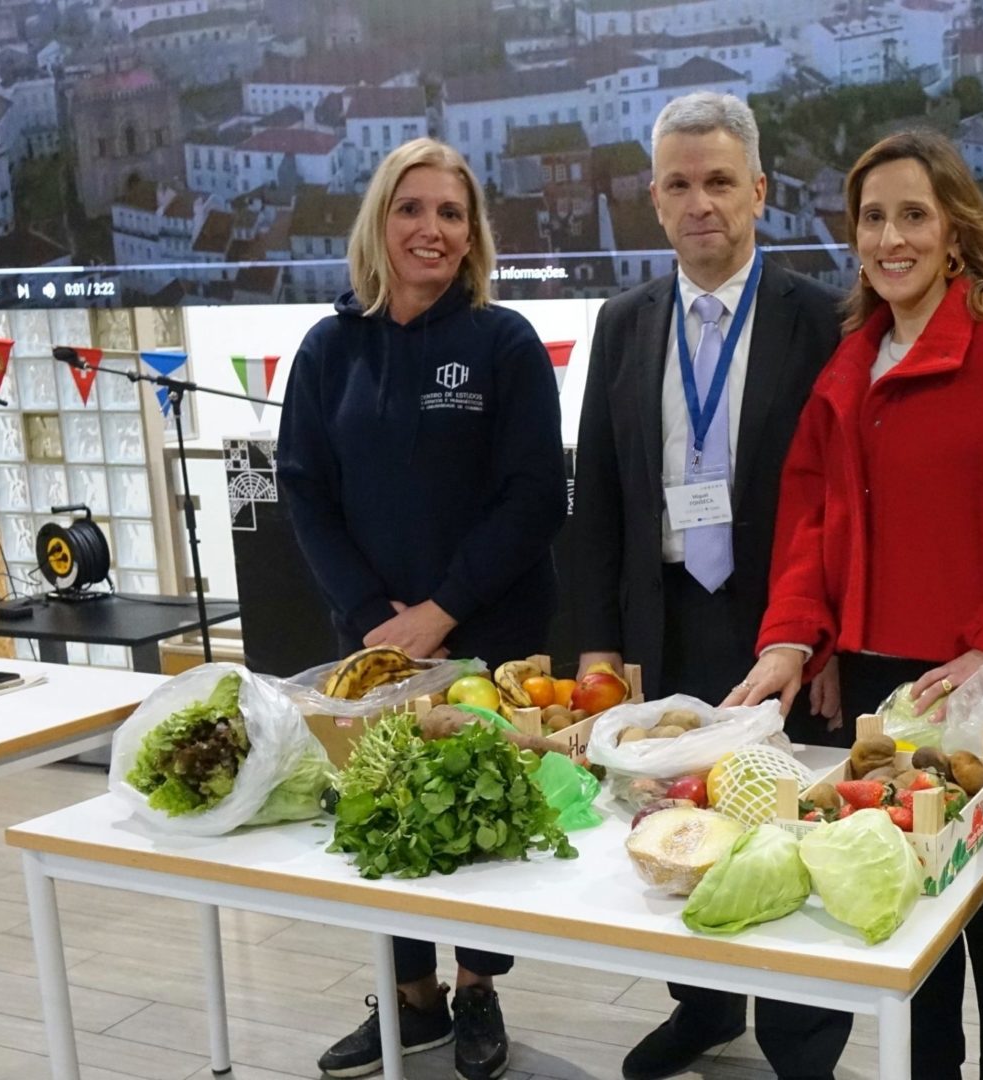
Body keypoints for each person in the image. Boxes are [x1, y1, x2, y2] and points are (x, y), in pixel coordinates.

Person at [726, 130, 983, 1079]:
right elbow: (812, 522)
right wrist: (792, 642)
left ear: (954, 228)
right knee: (914, 925)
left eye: (912, 214)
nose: (890, 237)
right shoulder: (853, 363)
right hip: (886, 690)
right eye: (871, 217)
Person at [569, 92, 851, 1080]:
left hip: (783, 624)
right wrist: (597, 642)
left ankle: (801, 1040)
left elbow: (850, 497)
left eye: (721, 182)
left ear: (760, 193)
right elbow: (598, 491)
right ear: (654, 200)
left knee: (784, 826)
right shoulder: (623, 322)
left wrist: (828, 640)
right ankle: (703, 1006)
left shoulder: (821, 316)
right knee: (676, 811)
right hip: (668, 618)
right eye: (680, 184)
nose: (702, 204)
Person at [278, 137, 566, 1080]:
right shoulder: (330, 349)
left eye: (451, 213)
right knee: (383, 817)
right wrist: (373, 616)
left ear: (473, 232)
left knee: (480, 812)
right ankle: (411, 1001)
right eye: (412, 209)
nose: (431, 230)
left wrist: (441, 611)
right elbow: (304, 489)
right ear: (380, 221)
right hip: (369, 646)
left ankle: (479, 988)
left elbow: (533, 496)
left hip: (489, 634)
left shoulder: (504, 341)